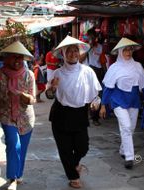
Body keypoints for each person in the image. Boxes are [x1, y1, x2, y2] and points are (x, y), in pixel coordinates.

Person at [47, 35, 102, 188]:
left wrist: (97, 102)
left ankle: (74, 164)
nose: (72, 54)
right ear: (63, 54)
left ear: (79, 53)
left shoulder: (88, 71)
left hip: (80, 115)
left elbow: (96, 94)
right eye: (68, 51)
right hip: (61, 115)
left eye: (75, 50)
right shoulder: (57, 73)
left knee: (82, 147)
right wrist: (52, 88)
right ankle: (73, 177)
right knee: (65, 149)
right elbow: (49, 95)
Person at [0, 41, 36, 190]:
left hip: (26, 118)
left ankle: (18, 175)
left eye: (20, 58)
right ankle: (12, 178)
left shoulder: (29, 75)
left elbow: (33, 99)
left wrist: (25, 97)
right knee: (14, 144)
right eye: (14, 57)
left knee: (23, 149)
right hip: (7, 116)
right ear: (6, 58)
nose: (17, 61)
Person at [99, 38, 144, 169]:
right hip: (118, 100)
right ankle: (129, 157)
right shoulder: (114, 68)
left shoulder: (137, 66)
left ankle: (123, 149)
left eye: (130, 49)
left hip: (133, 100)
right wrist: (103, 105)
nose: (128, 52)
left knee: (130, 128)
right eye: (125, 50)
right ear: (120, 52)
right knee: (126, 126)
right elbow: (108, 87)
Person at [80, 28, 106, 126]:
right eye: (90, 37)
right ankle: (85, 117)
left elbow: (103, 61)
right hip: (87, 73)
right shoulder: (83, 46)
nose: (92, 38)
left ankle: (95, 118)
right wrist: (88, 48)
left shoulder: (100, 47)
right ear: (87, 37)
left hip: (98, 72)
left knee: (97, 95)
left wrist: (106, 73)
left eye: (93, 36)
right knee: (86, 95)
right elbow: (80, 60)